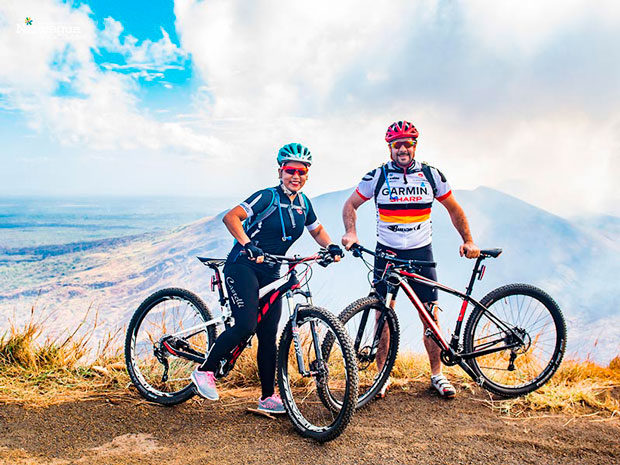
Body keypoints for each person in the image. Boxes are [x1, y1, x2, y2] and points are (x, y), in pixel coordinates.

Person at [191, 143, 344, 414]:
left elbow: (317, 229)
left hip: (272, 272)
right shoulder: (267, 197)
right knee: (246, 325)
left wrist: (329, 246)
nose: (295, 175)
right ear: (280, 171)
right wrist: (248, 243)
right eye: (290, 170)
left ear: (307, 174)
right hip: (243, 266)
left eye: (301, 171)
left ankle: (267, 397)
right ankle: (206, 371)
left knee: (268, 336)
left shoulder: (304, 204)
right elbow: (232, 218)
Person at [341, 120, 480, 399]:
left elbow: (454, 209)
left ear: (415, 146)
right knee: (382, 314)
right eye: (396, 144)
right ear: (389, 148)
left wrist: (468, 239)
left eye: (407, 143)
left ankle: (438, 374)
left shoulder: (431, 175)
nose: (402, 149)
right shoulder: (376, 177)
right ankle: (382, 377)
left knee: (429, 314)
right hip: (387, 253)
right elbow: (350, 205)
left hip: (420, 252)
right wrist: (351, 232)